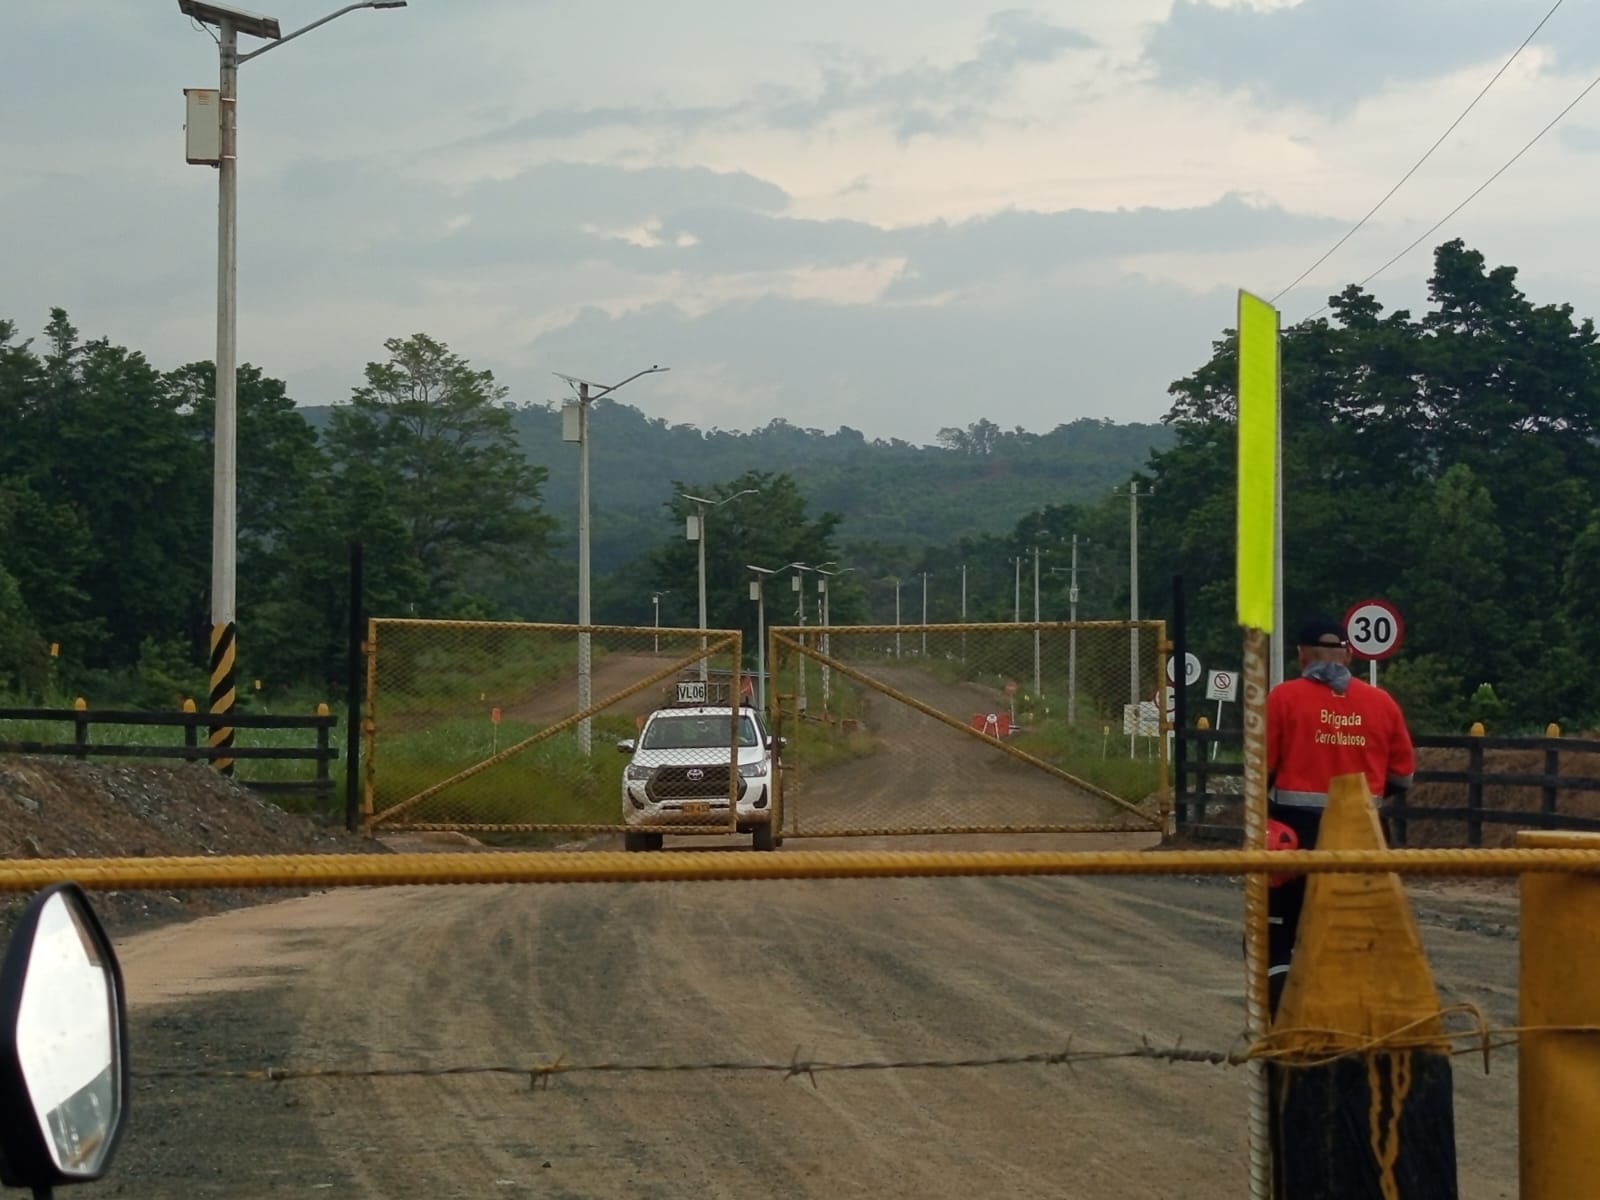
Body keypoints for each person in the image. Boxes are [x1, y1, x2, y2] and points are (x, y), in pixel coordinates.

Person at [1265, 615, 1415, 1015]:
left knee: (1278, 928)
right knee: (1364, 927)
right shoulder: (1382, 703)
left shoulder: (1283, 699)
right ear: (1348, 655)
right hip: (1365, 837)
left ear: (1302, 655)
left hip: (1294, 837)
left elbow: (1261, 769)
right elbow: (1402, 776)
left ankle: (1281, 1010)